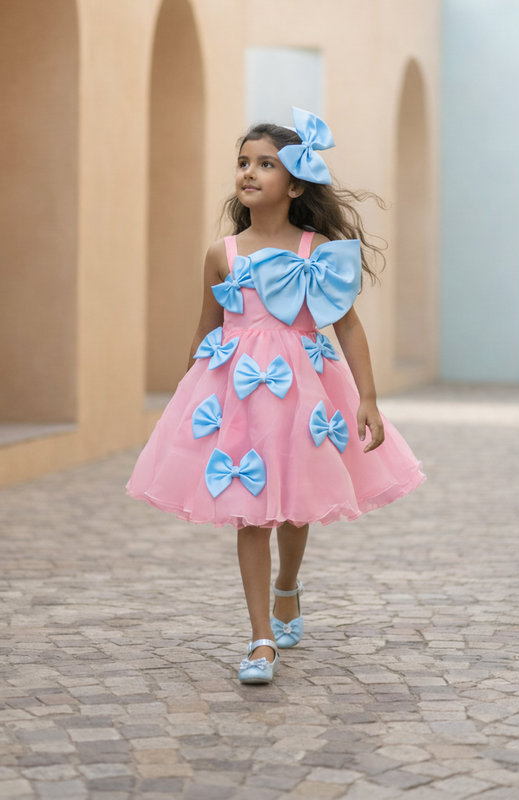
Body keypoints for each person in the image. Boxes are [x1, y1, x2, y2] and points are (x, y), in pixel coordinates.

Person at [127, 108, 425, 685]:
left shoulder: (319, 250)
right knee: (251, 512)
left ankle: (288, 584)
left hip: (303, 396)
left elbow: (348, 326)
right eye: (244, 162)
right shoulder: (222, 253)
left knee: (294, 504)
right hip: (239, 396)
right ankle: (261, 638)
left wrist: (366, 397)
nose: (249, 172)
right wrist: (187, 398)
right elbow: (208, 327)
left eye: (266, 164)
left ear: (294, 185)